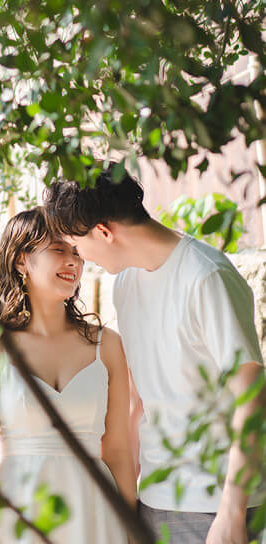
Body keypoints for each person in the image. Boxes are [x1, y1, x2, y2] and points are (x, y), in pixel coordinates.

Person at [43, 165, 265, 544]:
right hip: (154, 499)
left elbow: (253, 395)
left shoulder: (206, 276)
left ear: (103, 232)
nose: (81, 260)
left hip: (216, 506)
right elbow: (139, 401)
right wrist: (128, 501)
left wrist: (230, 512)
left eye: (78, 247)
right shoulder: (126, 283)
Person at [0, 208, 136, 544]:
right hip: (20, 512)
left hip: (96, 514)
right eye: (59, 250)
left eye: (77, 252)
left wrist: (134, 533)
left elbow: (117, 451)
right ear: (20, 261)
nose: (73, 262)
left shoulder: (108, 345)